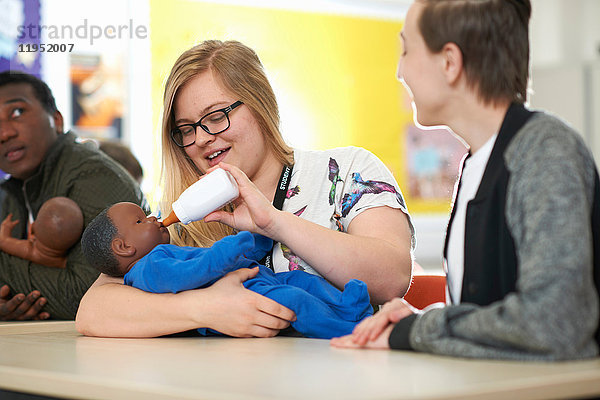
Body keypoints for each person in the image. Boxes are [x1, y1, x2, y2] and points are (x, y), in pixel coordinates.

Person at [76, 40, 415, 338]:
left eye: (216, 116)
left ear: (260, 103)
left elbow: (391, 278)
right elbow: (94, 311)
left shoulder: (347, 171)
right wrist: (206, 308)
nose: (203, 138)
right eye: (187, 129)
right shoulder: (182, 216)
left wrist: (275, 223)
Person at [330, 0, 600, 361]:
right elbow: (488, 313)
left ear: (450, 63)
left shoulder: (543, 152)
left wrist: (420, 330)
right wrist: (427, 321)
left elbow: (553, 323)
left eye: (407, 49)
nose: (399, 71)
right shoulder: (475, 164)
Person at [81, 201, 373, 339]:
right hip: (247, 293)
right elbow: (196, 271)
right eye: (140, 221)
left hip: (257, 279)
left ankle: (345, 306)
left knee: (300, 280)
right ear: (123, 247)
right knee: (296, 301)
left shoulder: (160, 254)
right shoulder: (148, 269)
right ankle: (348, 330)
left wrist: (255, 242)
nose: (153, 217)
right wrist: (228, 251)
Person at [0, 71, 147, 320]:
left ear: (57, 120)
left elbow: (89, 294)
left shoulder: (94, 177)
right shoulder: (12, 190)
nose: (4, 134)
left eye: (17, 113)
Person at [0, 197, 83, 269]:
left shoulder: (29, 250)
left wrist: (5, 227)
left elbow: (3, 241)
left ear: (31, 229)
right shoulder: (65, 263)